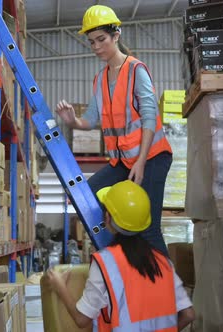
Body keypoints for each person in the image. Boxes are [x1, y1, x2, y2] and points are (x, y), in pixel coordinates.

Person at [56, 5, 173, 256]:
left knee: (149, 229)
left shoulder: (136, 70)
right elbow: (90, 118)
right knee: (88, 197)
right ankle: (121, 263)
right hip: (122, 161)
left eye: (101, 39)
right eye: (91, 42)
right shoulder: (100, 79)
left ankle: (169, 288)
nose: (97, 47)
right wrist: (72, 121)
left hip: (151, 157)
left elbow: (150, 118)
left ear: (116, 36)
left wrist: (140, 162)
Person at [46, 180, 195, 331]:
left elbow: (82, 319)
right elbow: (188, 314)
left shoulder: (106, 262)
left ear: (108, 217)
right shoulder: (164, 262)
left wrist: (60, 287)